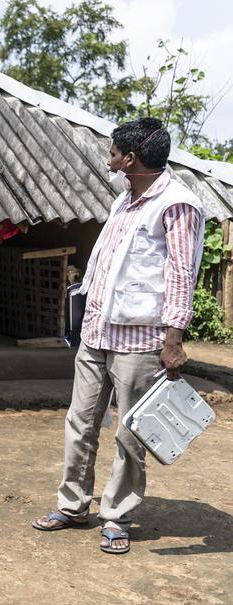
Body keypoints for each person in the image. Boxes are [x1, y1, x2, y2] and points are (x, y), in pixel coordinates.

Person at [33, 118, 205, 555]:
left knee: (130, 432)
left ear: (129, 159)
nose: (108, 158)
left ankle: (117, 515)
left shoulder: (176, 204)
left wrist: (174, 338)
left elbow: (181, 274)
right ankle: (73, 506)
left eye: (112, 152)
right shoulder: (122, 201)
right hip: (97, 331)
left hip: (141, 338)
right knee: (80, 421)